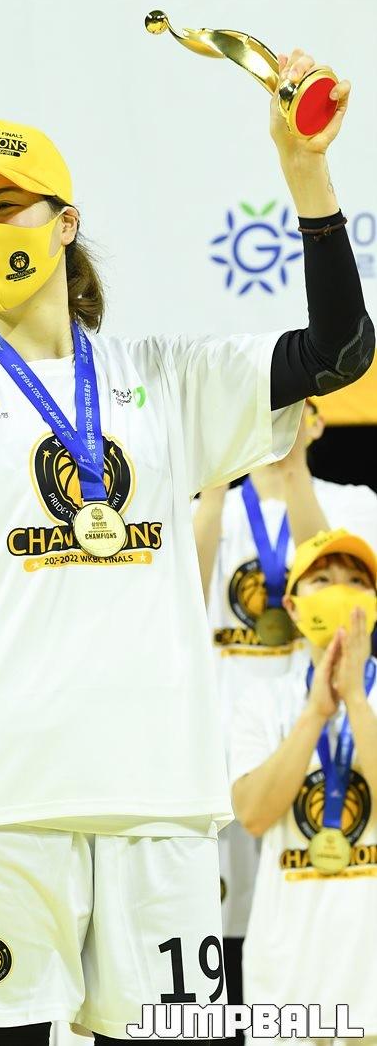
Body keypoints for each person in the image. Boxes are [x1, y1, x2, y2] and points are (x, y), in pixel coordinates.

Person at [0, 50, 374, 1045]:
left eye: (4, 205)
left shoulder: (166, 381)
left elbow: (339, 351)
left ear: (64, 223)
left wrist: (305, 171)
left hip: (159, 807)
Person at [193, 398, 377, 1009]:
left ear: (319, 422)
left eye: (298, 409)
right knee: (218, 932)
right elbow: (184, 607)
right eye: (266, 408)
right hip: (223, 747)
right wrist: (214, 479)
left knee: (300, 908)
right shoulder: (209, 507)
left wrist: (293, 467)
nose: (279, 419)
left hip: (311, 722)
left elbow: (329, 582)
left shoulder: (353, 503)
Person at [231, 529, 377, 1043]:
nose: (341, 589)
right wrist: (315, 713)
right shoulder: (260, 702)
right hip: (286, 981)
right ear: (291, 607)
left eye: (357, 580)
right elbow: (252, 814)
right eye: (323, 579)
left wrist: (356, 701)